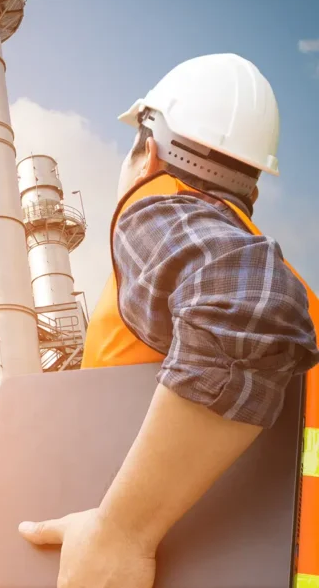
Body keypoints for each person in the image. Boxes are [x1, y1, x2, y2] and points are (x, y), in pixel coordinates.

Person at [17, 53, 319, 588]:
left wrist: (121, 532)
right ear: (251, 187)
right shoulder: (292, 283)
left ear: (149, 151)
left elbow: (252, 309)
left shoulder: (156, 205)